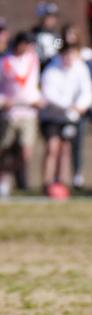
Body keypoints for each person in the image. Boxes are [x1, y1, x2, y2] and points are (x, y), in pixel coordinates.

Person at [39, 40, 92, 196]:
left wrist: (80, 105)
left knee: (65, 149)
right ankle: (47, 183)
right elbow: (49, 93)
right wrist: (68, 105)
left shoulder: (80, 68)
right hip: (52, 116)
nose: (70, 57)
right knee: (52, 147)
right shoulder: (52, 69)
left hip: (70, 116)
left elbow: (87, 91)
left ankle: (61, 182)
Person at [0, 32, 42, 197]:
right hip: (9, 113)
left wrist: (63, 40)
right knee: (5, 149)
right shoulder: (5, 62)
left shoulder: (34, 59)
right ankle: (3, 179)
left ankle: (6, 176)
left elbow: (57, 44)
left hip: (29, 112)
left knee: (25, 152)